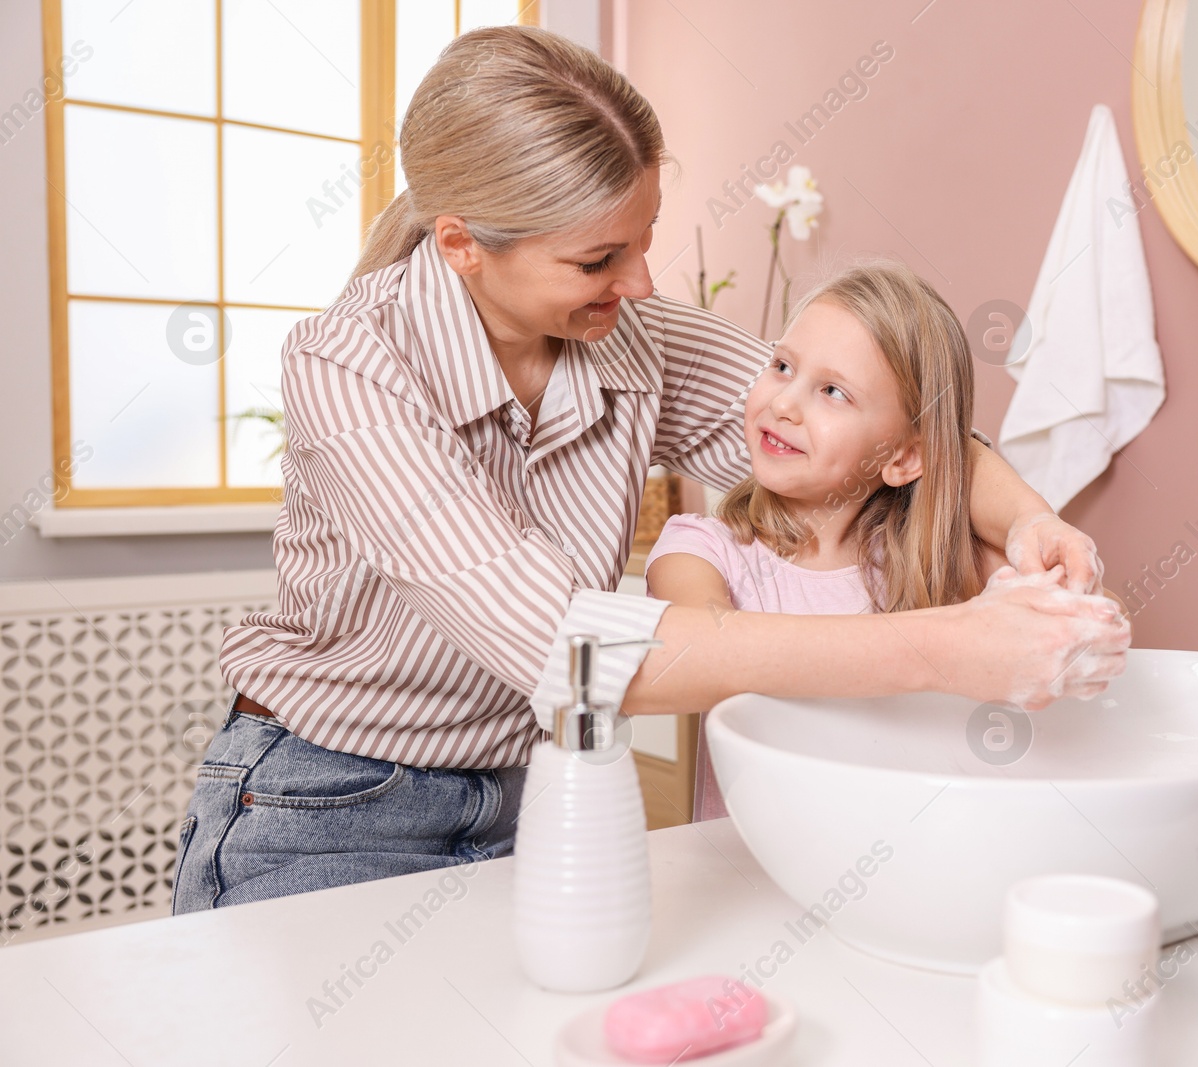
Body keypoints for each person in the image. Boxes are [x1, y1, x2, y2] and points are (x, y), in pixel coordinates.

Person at [171, 25, 1127, 914]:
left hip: (522, 795)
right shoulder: (349, 364)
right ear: (461, 244)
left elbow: (874, 422)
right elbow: (567, 649)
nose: (640, 285)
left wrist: (1030, 518)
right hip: (323, 804)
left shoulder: (629, 334)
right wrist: (945, 645)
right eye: (599, 259)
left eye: (645, 237)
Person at [646, 261, 1122, 819]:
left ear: (904, 456)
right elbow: (695, 654)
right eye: (780, 365)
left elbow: (1093, 623)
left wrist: (1065, 585)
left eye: (832, 391)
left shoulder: (935, 565)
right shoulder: (701, 551)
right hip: (753, 873)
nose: (783, 404)